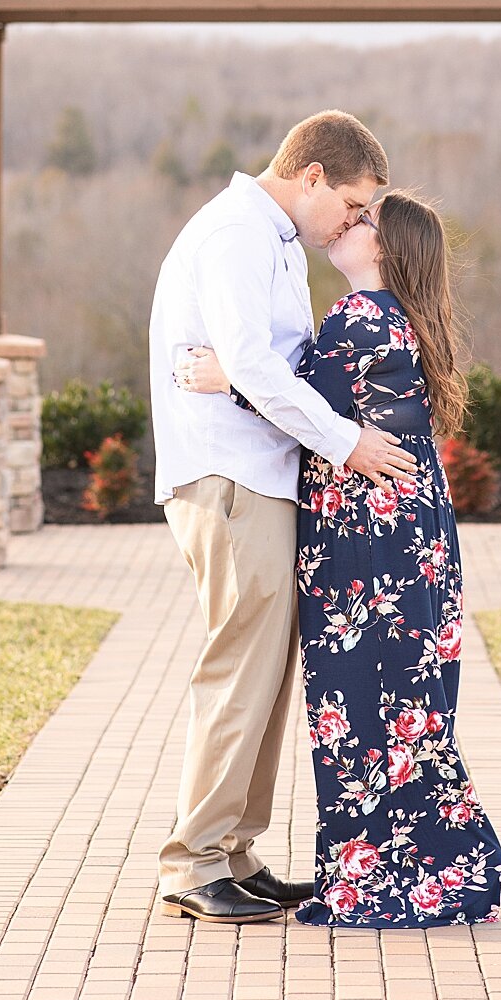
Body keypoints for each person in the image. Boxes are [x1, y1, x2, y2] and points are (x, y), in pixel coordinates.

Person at [178, 189, 501, 928]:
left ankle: (378, 877)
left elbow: (300, 402)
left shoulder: (360, 318)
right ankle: (430, 862)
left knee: (361, 705)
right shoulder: (402, 320)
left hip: (367, 549)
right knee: (405, 708)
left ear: (386, 250)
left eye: (365, 222)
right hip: (409, 539)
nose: (349, 224)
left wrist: (224, 376)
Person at [149, 108, 419, 925]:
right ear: (312, 178)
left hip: (260, 477)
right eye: (353, 204)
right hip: (231, 477)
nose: (356, 222)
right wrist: (349, 445)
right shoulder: (236, 232)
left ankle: (234, 851)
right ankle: (193, 861)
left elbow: (263, 364)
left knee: (265, 669)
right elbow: (263, 369)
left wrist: (236, 372)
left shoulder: (272, 242)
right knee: (240, 666)